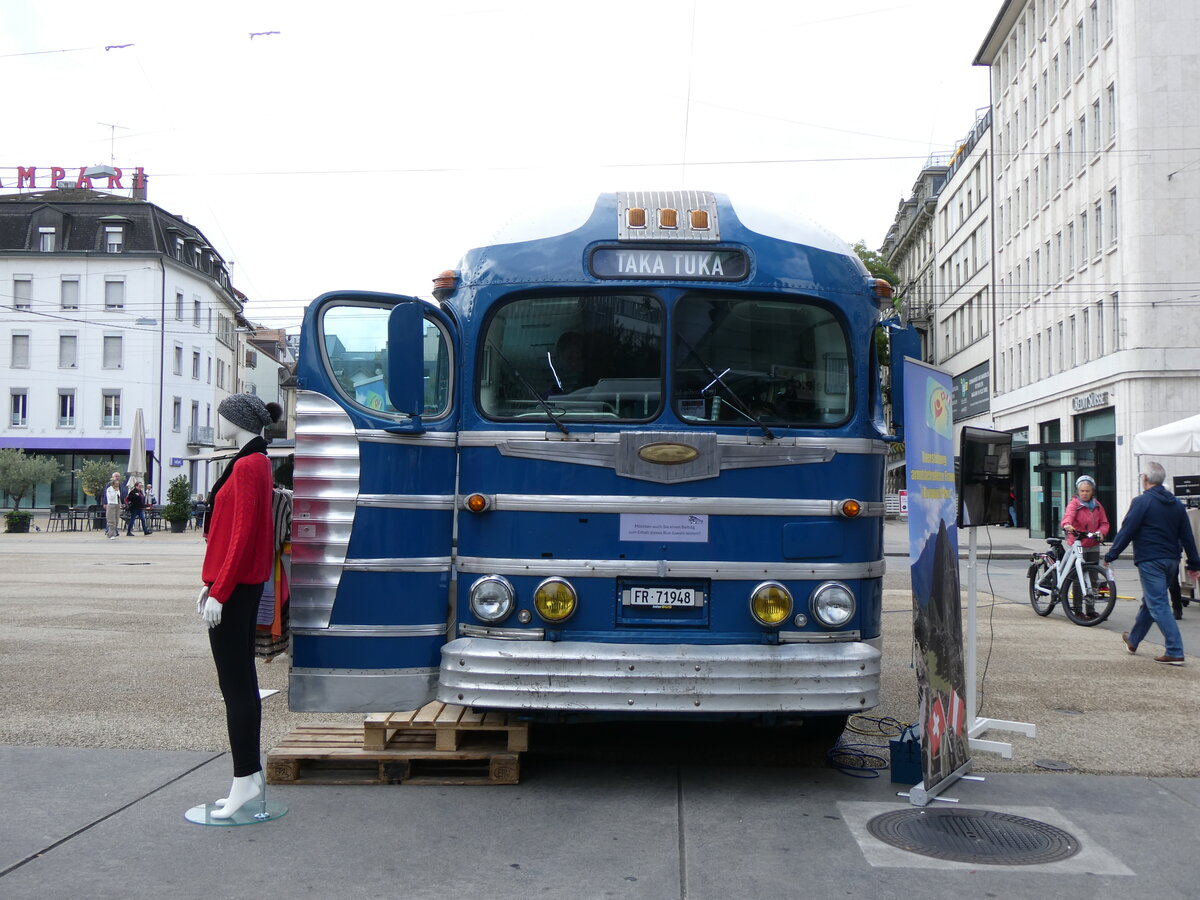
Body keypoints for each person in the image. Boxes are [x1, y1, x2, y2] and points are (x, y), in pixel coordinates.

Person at [196, 393, 282, 819]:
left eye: (223, 416)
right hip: (237, 585)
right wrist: (212, 585)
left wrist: (220, 591)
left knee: (235, 687)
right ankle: (249, 776)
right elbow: (237, 530)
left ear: (238, 419)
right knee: (242, 684)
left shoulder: (249, 465)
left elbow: (242, 534)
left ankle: (245, 777)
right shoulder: (255, 460)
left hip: (234, 588)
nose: (219, 422)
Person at [1104, 461, 1200, 666]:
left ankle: (1175, 650)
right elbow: (1187, 535)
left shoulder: (1142, 502)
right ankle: (1133, 640)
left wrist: (1111, 555)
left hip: (1151, 559)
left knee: (1158, 603)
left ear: (1145, 478)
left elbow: (1127, 530)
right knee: (1151, 601)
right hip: (1172, 560)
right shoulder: (1176, 504)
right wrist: (1194, 563)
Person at [103, 471, 125, 540]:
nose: (117, 478)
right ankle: (111, 533)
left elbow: (120, 495)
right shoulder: (109, 486)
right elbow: (107, 495)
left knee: (116, 519)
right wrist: (105, 503)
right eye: (116, 476)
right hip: (111, 504)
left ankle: (112, 532)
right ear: (113, 478)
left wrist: (122, 503)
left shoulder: (119, 485)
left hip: (117, 504)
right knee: (111, 519)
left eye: (118, 476)